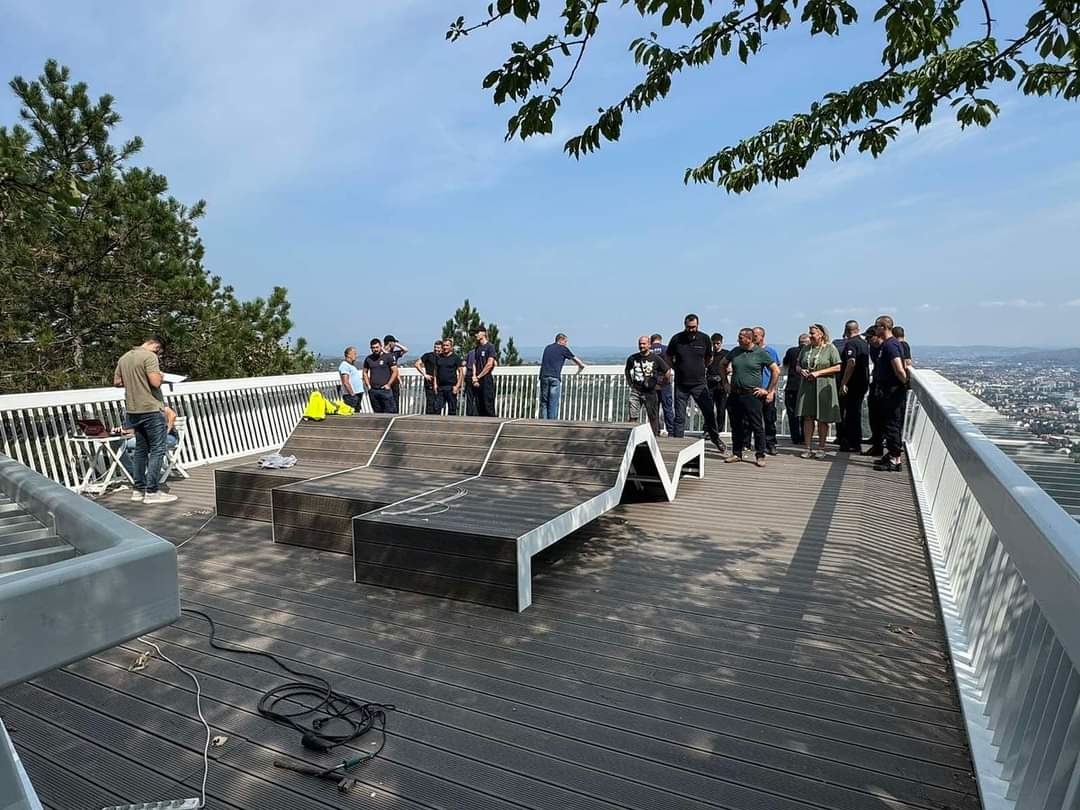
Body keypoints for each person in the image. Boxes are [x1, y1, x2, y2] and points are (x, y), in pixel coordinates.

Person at [112, 336, 177, 504]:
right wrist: (161, 376)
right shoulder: (149, 356)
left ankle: (138, 490)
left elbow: (117, 382)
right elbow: (155, 382)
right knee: (157, 449)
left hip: (133, 410)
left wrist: (135, 379)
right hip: (150, 408)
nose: (158, 354)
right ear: (155, 345)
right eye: (159, 351)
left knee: (141, 449)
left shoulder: (125, 357)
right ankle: (152, 492)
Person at [720, 328, 780, 467]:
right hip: (735, 393)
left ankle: (760, 455)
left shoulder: (760, 353)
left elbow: (775, 370)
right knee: (736, 424)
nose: (738, 340)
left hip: (752, 394)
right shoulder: (735, 351)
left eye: (741, 337)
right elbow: (722, 364)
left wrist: (768, 390)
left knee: (757, 425)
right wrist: (725, 383)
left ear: (749, 339)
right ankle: (737, 453)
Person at [666, 314, 724, 453]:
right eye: (689, 327)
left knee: (709, 412)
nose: (691, 329)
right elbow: (668, 356)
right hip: (681, 384)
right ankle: (677, 445)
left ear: (698, 325)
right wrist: (676, 368)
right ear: (684, 325)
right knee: (680, 417)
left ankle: (715, 438)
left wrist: (700, 368)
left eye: (694, 327)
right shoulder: (676, 339)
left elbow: (709, 358)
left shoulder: (704, 338)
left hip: (699, 383)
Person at [796, 324, 843, 459]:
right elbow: (797, 364)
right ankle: (807, 447)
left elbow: (838, 367)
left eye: (812, 333)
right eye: (809, 333)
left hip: (824, 385)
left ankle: (821, 447)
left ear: (821, 334)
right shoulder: (806, 348)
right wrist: (801, 370)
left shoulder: (830, 348)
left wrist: (818, 373)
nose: (810, 336)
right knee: (807, 417)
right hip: (807, 385)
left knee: (823, 417)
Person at [870, 318, 910, 472]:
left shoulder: (890, 345)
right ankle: (892, 455)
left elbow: (899, 368)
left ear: (883, 327)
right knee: (889, 423)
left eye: (877, 326)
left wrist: (905, 382)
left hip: (892, 391)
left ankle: (895, 460)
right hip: (888, 390)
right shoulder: (888, 344)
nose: (875, 329)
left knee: (892, 424)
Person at [624, 336, 673, 435]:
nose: (641, 346)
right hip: (636, 390)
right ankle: (632, 437)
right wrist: (630, 383)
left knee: (652, 416)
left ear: (649, 345)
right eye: (640, 344)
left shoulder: (655, 358)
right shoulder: (633, 358)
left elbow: (667, 371)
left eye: (644, 344)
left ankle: (654, 436)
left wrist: (661, 384)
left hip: (650, 391)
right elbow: (627, 370)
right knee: (633, 415)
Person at [119, 405, 179, 483]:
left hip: (169, 438)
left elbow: (172, 415)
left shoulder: (157, 405)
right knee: (119, 445)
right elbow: (133, 430)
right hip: (147, 439)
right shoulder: (137, 412)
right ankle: (132, 472)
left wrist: (166, 431)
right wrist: (123, 431)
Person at [837, 320, 870, 452]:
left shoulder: (851, 343)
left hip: (853, 383)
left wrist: (844, 382)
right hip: (862, 382)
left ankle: (852, 443)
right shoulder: (864, 343)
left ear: (846, 330)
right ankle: (855, 441)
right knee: (855, 412)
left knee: (851, 414)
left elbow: (851, 362)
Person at [538, 333, 586, 419]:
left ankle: (544, 421)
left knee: (544, 402)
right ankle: (551, 423)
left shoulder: (547, 348)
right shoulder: (563, 349)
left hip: (544, 376)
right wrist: (581, 366)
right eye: (565, 341)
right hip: (554, 377)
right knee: (553, 402)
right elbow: (575, 359)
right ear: (560, 340)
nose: (566, 343)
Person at [752, 326, 781, 455]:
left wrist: (772, 391)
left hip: (767, 389)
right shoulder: (750, 352)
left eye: (756, 336)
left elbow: (776, 371)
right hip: (753, 390)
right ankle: (755, 443)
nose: (753, 338)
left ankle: (771, 443)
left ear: (762, 336)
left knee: (769, 419)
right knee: (752, 419)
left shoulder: (770, 352)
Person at [862, 326, 886, 457]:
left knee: (882, 418)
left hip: (883, 387)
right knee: (874, 416)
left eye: (870, 337)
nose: (868, 340)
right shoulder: (873, 348)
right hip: (876, 384)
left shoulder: (887, 347)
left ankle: (882, 447)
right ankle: (876, 443)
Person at [782, 334, 810, 446]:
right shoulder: (810, 353)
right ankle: (804, 437)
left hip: (791, 386)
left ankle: (795, 437)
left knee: (792, 413)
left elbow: (785, 363)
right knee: (805, 414)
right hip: (805, 386)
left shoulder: (791, 351)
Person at [706, 333, 729, 452]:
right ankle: (708, 430)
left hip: (721, 385)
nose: (715, 346)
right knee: (708, 409)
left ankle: (718, 430)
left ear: (721, 343)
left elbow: (730, 367)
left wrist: (724, 375)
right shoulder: (709, 354)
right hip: (710, 384)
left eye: (717, 343)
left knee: (721, 409)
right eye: (714, 344)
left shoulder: (726, 354)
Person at [363, 338, 398, 413]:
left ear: (381, 346)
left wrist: (389, 384)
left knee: (389, 412)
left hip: (385, 390)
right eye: (373, 348)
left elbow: (395, 371)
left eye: (377, 347)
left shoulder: (388, 357)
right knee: (377, 413)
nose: (375, 349)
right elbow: (365, 372)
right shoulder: (368, 359)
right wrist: (368, 385)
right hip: (373, 390)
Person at [650, 333, 675, 436]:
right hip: (665, 381)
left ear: (651, 340)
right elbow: (672, 363)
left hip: (652, 383)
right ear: (660, 340)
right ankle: (671, 431)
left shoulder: (649, 350)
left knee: (654, 408)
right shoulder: (666, 349)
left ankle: (655, 431)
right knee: (667, 407)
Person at [471, 326, 498, 417]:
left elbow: (489, 364)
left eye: (477, 332)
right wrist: (474, 376)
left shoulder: (490, 347)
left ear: (483, 333)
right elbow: (474, 363)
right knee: (479, 404)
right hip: (477, 379)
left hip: (486, 379)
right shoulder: (477, 348)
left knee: (488, 404)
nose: (476, 335)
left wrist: (479, 376)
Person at [432, 339, 464, 415]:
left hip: (451, 387)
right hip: (440, 387)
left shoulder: (455, 358)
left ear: (451, 347)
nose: (445, 347)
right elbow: (435, 372)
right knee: (436, 408)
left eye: (447, 345)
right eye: (444, 345)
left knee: (452, 410)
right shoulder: (438, 357)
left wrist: (457, 386)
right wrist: (435, 384)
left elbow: (461, 372)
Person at [415, 340, 442, 415]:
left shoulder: (443, 357)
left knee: (438, 404)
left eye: (438, 348)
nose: (436, 349)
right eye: (435, 347)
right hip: (429, 382)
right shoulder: (428, 355)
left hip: (440, 382)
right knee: (430, 402)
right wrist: (424, 374)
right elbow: (417, 364)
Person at [382, 335, 409, 410]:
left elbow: (406, 350)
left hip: (395, 381)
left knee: (395, 402)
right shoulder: (381, 353)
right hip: (385, 381)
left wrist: (396, 344)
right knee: (386, 403)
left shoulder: (394, 354)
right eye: (394, 343)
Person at [338, 346, 365, 411]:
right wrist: (352, 395)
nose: (356, 355)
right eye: (354, 354)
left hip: (357, 394)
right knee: (352, 412)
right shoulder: (344, 365)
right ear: (348, 355)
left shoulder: (351, 365)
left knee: (357, 412)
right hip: (351, 396)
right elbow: (345, 382)